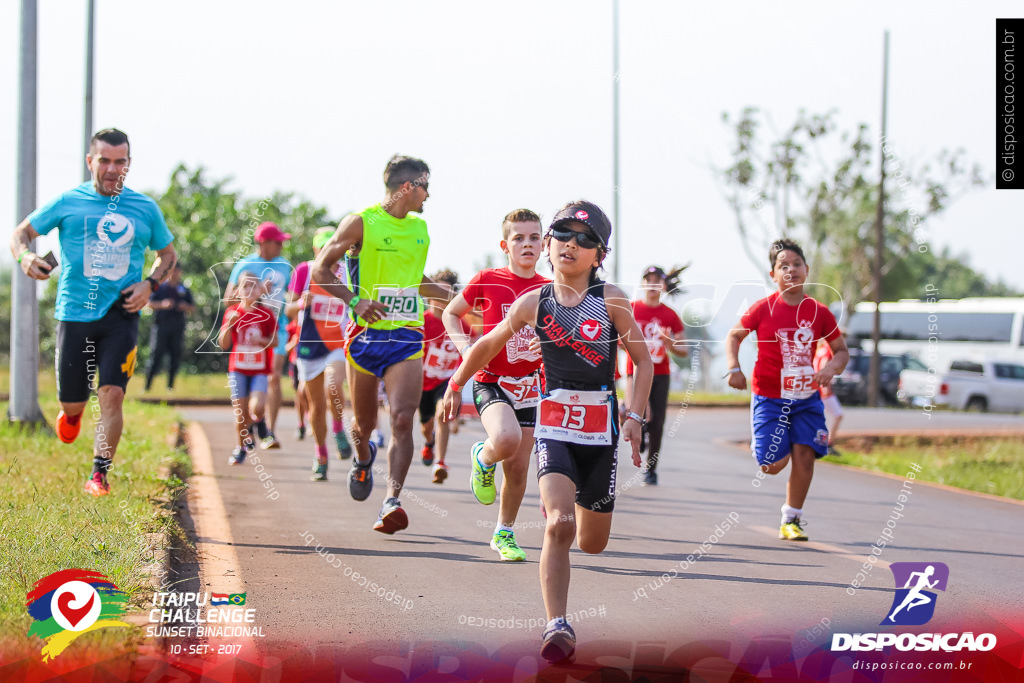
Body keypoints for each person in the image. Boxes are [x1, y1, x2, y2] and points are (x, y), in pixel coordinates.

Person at [442, 200, 653, 663]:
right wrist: (456, 384)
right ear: (550, 245)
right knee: (558, 524)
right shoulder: (533, 302)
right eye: (562, 235)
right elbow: (487, 344)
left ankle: (581, 510)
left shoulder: (611, 299)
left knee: (591, 542)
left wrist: (635, 417)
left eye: (585, 239)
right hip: (554, 428)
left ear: (600, 253)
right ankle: (557, 625)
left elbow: (644, 361)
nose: (570, 245)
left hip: (600, 436)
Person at [10, 128, 177, 497]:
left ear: (128, 165)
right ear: (91, 162)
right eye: (105, 160)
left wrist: (151, 284)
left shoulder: (144, 208)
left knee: (112, 394)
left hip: (121, 313)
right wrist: (26, 257)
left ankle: (98, 475)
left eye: (120, 162)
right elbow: (21, 232)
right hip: (74, 313)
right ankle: (71, 413)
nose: (112, 169)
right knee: (73, 402)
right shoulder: (68, 202)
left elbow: (168, 255)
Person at [311, 154, 451, 534]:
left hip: (406, 335)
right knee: (364, 424)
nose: (429, 195)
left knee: (403, 418)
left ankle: (392, 500)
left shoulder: (420, 229)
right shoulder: (361, 223)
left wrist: (446, 294)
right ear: (408, 187)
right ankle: (362, 458)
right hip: (364, 337)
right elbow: (320, 271)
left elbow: (413, 278)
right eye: (425, 186)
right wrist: (355, 301)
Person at [442, 209, 550, 561]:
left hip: (531, 387)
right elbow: (450, 313)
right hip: (492, 382)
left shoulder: (550, 289)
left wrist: (546, 345)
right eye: (519, 238)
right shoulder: (488, 279)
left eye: (534, 237)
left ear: (544, 243)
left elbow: (563, 336)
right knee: (505, 439)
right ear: (505, 244)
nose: (527, 244)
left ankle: (504, 533)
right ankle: (482, 456)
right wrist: (464, 348)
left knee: (518, 468)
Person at [724, 238, 848, 542]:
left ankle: (792, 519)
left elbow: (841, 351)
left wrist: (830, 369)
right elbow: (734, 336)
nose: (791, 269)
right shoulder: (763, 309)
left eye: (796, 264)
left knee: (804, 455)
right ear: (773, 275)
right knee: (771, 465)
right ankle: (764, 442)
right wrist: (733, 368)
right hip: (769, 397)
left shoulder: (819, 312)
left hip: (806, 399)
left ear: (806, 270)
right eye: (783, 266)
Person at [286, 227, 354, 481]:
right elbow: (289, 310)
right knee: (315, 406)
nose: (329, 252)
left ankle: (338, 429)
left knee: (333, 385)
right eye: (323, 247)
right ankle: (321, 454)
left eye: (332, 246)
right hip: (310, 345)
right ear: (316, 249)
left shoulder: (348, 272)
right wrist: (302, 303)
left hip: (337, 342)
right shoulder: (304, 271)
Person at [225, 222, 293, 450]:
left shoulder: (284, 265)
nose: (282, 246)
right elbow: (228, 300)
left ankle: (270, 432)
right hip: (248, 332)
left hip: (277, 328)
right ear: (263, 243)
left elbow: (291, 298)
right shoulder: (245, 264)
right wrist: (256, 294)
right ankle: (256, 421)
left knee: (274, 376)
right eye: (278, 242)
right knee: (255, 386)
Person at [624, 265, 688, 486]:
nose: (652, 285)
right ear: (642, 284)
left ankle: (651, 470)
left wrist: (671, 344)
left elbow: (684, 349)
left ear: (663, 286)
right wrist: (628, 347)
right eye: (648, 280)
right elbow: (618, 341)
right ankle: (639, 428)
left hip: (660, 374)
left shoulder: (669, 315)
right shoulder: (631, 309)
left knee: (658, 423)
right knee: (633, 412)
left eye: (656, 281)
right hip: (635, 371)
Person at [218, 272, 277, 465]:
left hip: (259, 369)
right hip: (238, 368)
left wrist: (261, 340)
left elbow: (275, 341)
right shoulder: (232, 313)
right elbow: (223, 344)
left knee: (257, 407)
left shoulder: (267, 314)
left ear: (260, 290)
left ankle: (259, 422)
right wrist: (229, 325)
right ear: (237, 291)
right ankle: (240, 447)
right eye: (245, 286)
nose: (249, 290)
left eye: (254, 286)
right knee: (240, 412)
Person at [420, 269, 469, 484]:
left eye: (446, 294)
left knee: (442, 414)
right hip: (422, 383)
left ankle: (440, 462)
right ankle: (429, 442)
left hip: (446, 381)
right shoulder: (420, 322)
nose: (441, 299)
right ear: (429, 295)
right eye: (437, 293)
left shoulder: (461, 324)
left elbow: (475, 348)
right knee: (426, 425)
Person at [144, 263, 194, 392]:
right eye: (173, 271)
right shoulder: (160, 288)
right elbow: (149, 303)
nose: (175, 274)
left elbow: (193, 307)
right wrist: (162, 305)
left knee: (175, 356)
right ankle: (147, 386)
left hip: (177, 326)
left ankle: (170, 387)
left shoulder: (183, 289)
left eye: (177, 271)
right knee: (156, 355)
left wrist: (185, 306)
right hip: (161, 325)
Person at [814, 337, 843, 455]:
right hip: (822, 388)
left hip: (817, 387)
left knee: (822, 416)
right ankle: (826, 443)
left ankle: (822, 443)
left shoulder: (820, 349)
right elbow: (823, 365)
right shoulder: (827, 350)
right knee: (837, 415)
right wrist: (824, 385)